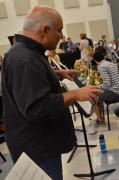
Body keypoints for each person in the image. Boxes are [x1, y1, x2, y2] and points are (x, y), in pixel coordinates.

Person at [1, 5, 102, 180]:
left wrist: (56, 74)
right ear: (45, 30)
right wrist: (75, 94)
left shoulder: (24, 53)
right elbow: (35, 107)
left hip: (38, 146)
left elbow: (30, 80)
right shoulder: (25, 59)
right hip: (39, 151)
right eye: (60, 30)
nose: (62, 36)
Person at [92, 46, 119, 126]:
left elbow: (107, 83)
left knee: (93, 96)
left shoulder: (101, 66)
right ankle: (100, 117)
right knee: (97, 93)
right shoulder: (109, 63)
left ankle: (100, 119)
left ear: (95, 60)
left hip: (115, 92)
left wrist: (95, 87)